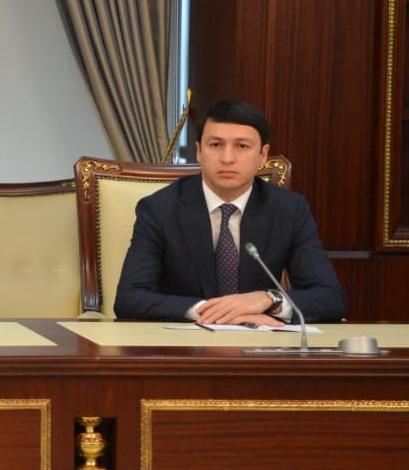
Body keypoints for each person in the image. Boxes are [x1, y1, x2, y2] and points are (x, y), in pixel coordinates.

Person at [114, 99, 346, 324]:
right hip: (185, 341)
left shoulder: (289, 209)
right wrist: (215, 312)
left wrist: (268, 300)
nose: (227, 158)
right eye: (216, 145)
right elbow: (129, 298)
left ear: (263, 155)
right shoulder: (159, 208)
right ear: (199, 151)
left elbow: (331, 299)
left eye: (242, 146)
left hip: (260, 342)